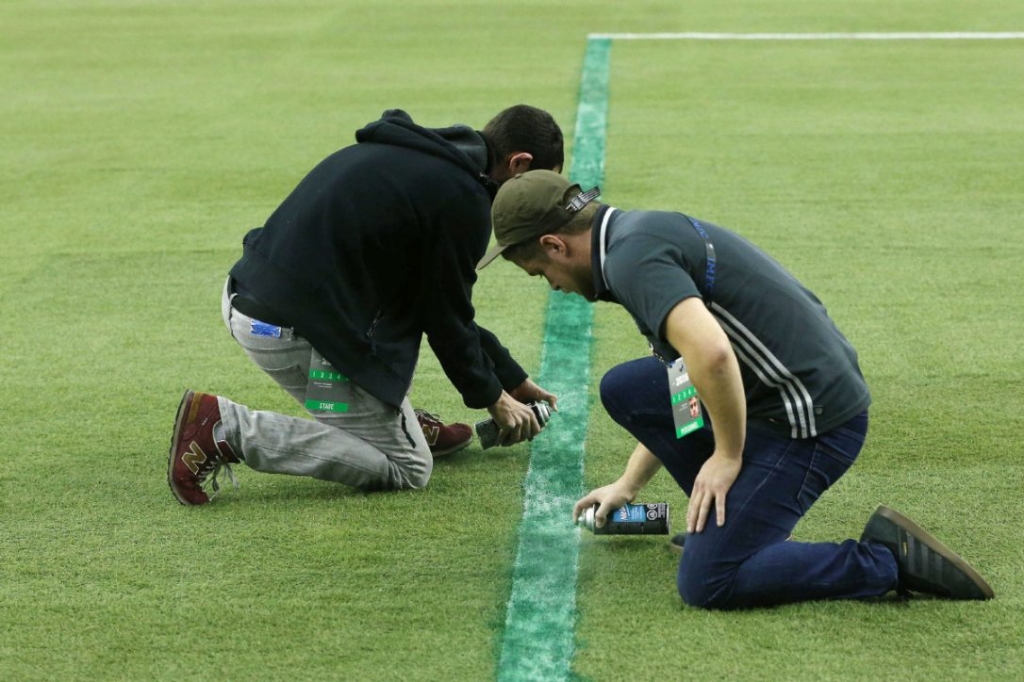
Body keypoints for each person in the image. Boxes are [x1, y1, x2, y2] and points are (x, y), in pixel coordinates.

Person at [479, 169, 993, 608]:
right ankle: (728, 519)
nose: (555, 287)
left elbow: (713, 355)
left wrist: (726, 455)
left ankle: (885, 559)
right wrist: (629, 486)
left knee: (709, 582)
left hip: (812, 419)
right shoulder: (633, 236)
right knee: (628, 388)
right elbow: (685, 376)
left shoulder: (631, 261)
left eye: (542, 273)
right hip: (783, 393)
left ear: (554, 244)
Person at [168, 106, 563, 505]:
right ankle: (226, 429)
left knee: (387, 326)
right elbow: (446, 319)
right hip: (289, 332)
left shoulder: (421, 156)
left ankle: (386, 422)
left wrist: (509, 378)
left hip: (255, 301)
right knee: (408, 468)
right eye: (536, 186)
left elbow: (434, 304)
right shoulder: (461, 198)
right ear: (519, 163)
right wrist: (494, 397)